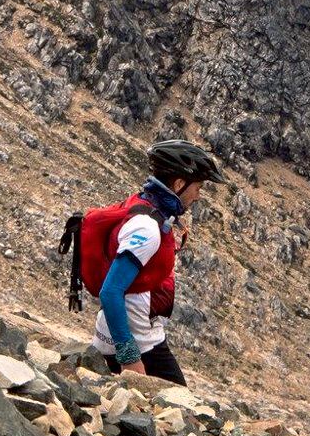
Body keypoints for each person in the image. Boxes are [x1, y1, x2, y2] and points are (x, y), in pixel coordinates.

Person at [71, 139, 222, 385]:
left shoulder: (145, 205)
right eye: (198, 187)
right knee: (179, 410)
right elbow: (110, 292)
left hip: (130, 334)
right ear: (180, 184)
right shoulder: (147, 227)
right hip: (138, 343)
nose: (198, 196)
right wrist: (129, 356)